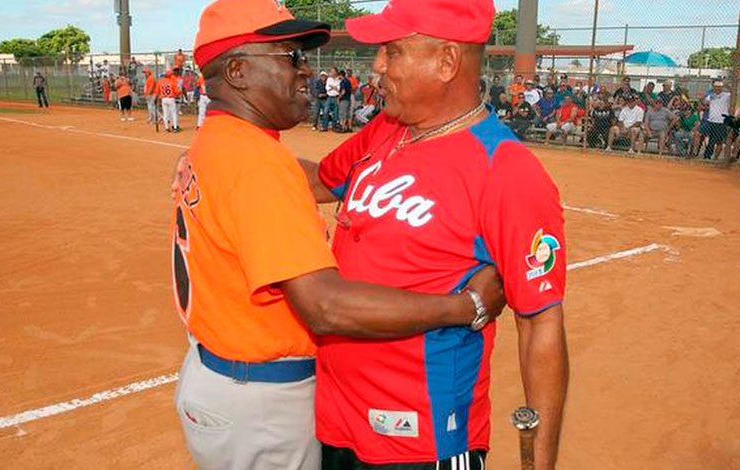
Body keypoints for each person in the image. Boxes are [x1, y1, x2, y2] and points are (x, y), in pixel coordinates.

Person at [173, 2, 505, 469]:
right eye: (291, 57)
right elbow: (324, 306)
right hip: (261, 402)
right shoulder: (254, 166)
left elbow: (315, 180)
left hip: (227, 378)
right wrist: (464, 306)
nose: (306, 71)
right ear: (238, 71)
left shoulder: (221, 145)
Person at [301, 1, 568, 468]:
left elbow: (541, 324)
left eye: (393, 51)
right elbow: (320, 180)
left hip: (423, 444)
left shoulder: (507, 171)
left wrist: (539, 465)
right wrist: (236, 160)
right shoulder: (386, 130)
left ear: (447, 61)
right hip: (337, 424)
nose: (378, 66)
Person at [700, 79, 731, 159]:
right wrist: (701, 97)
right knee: (708, 139)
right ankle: (707, 156)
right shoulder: (711, 95)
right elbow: (704, 102)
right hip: (711, 120)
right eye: (716, 87)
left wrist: (729, 86)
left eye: (719, 87)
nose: (717, 88)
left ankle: (715, 158)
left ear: (721, 87)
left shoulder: (726, 95)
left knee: (719, 142)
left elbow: (735, 95)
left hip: (721, 121)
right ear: (713, 87)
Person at [321, 66, 341, 131]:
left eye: (333, 71)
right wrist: (334, 87)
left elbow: (339, 89)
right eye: (331, 71)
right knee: (325, 111)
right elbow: (327, 88)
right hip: (329, 97)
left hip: (336, 97)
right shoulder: (329, 79)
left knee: (335, 112)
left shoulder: (339, 80)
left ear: (336, 72)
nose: (332, 73)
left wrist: (333, 87)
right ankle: (324, 126)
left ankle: (334, 127)